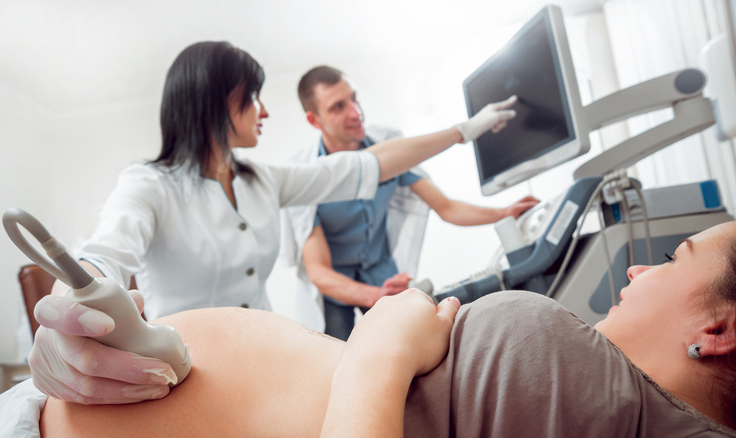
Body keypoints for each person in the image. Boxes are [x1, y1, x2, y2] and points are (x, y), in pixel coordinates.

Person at [26, 41, 520, 405]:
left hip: (265, 360)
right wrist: (72, 306)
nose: (264, 111)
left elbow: (368, 165)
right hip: (183, 377)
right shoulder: (150, 184)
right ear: (219, 101)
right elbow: (105, 250)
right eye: (254, 97)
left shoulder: (264, 179)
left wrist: (463, 131)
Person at [30, 220, 736, 437]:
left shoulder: (596, 393)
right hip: (45, 409)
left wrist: (382, 350)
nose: (639, 269)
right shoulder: (604, 393)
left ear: (720, 329)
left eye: (674, 258)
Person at [280, 65, 539, 340]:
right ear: (314, 120)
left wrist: (503, 213)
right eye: (338, 107)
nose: (356, 113)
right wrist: (374, 296)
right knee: (336, 356)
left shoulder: (386, 142)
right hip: (334, 287)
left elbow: (446, 208)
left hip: (381, 271)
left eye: (354, 98)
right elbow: (319, 271)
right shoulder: (304, 174)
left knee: (405, 342)